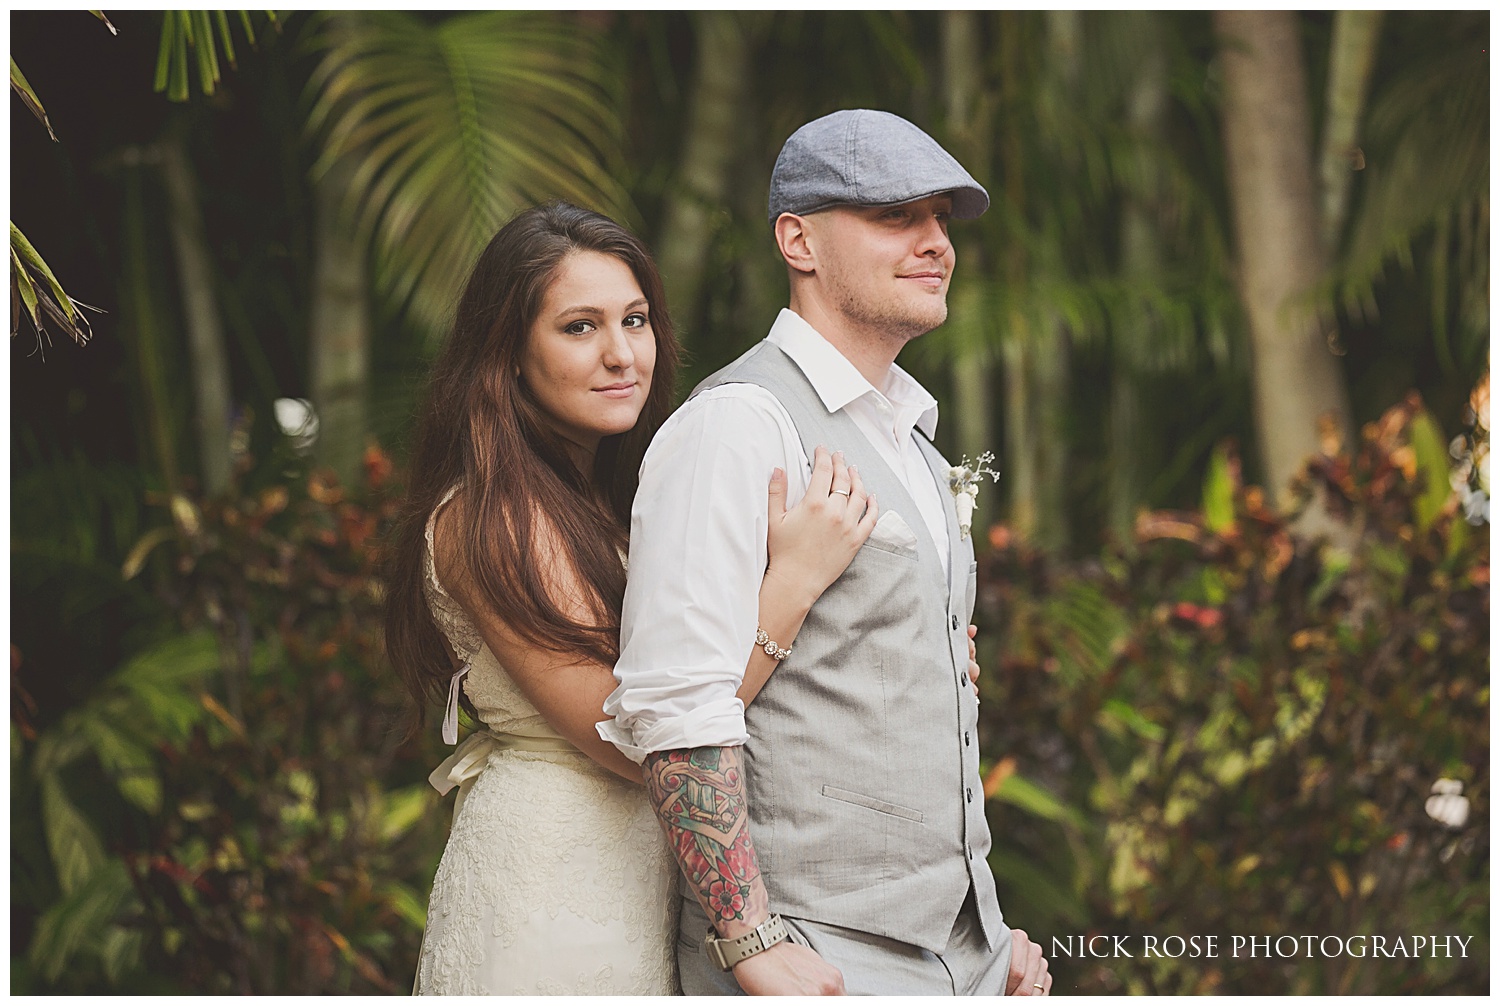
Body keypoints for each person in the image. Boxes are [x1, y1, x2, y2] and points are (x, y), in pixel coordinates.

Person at [383, 202, 904, 994]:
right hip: (556, 884)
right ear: (508, 352)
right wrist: (794, 583)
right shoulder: (489, 515)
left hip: (642, 876)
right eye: (579, 328)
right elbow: (635, 737)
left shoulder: (612, 498)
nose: (623, 355)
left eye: (635, 320)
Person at [600, 110, 1053, 995]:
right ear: (797, 239)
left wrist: (987, 938)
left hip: (959, 958)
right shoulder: (737, 424)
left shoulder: (918, 447)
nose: (934, 244)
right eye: (896, 217)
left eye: (942, 221)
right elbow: (677, 703)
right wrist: (750, 940)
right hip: (815, 954)